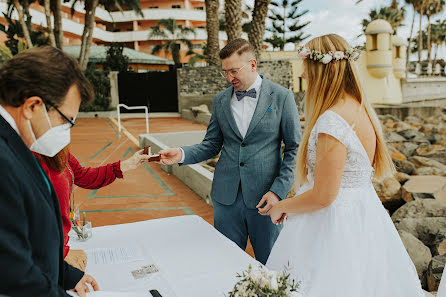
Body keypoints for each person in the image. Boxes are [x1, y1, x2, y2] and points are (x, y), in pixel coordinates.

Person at [265, 34, 424, 296]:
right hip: (364, 218)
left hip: (332, 227)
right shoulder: (361, 110)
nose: (303, 75)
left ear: (321, 71)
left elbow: (324, 196)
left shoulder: (332, 121)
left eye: (307, 67)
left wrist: (281, 206)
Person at [159, 38, 301, 264]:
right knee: (226, 263)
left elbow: (294, 149)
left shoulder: (282, 97)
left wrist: (277, 191)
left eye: (234, 71)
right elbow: (211, 144)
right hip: (226, 198)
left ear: (253, 65)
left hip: (266, 199)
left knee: (271, 264)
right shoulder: (220, 100)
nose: (229, 77)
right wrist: (182, 154)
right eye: (225, 72)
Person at [0, 46, 99, 297]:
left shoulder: (17, 142)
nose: (67, 131)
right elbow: (12, 269)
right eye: (66, 121)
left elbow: (29, 237)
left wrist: (66, 275)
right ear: (33, 106)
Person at [34, 147, 150, 271]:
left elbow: (82, 175)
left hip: (58, 245)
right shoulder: (25, 156)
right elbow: (33, 217)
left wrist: (126, 164)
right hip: (45, 252)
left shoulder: (55, 148)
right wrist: (61, 253)